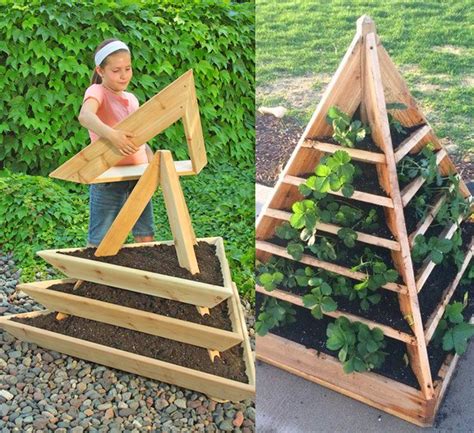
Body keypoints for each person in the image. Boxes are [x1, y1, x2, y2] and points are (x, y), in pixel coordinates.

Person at [78, 39, 155, 247]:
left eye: (128, 68)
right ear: (100, 71)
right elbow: (85, 116)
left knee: (146, 236)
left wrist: (153, 165)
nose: (124, 75)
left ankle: (143, 278)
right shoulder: (97, 92)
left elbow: (140, 140)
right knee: (100, 241)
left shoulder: (132, 99)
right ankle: (96, 278)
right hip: (108, 178)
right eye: (116, 70)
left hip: (138, 176)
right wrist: (113, 135)